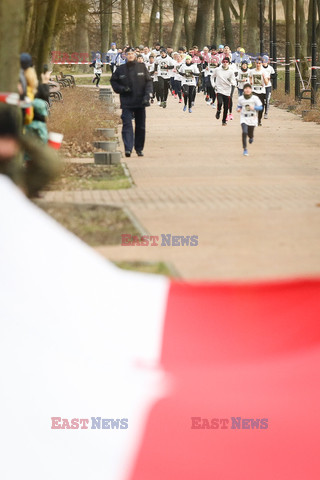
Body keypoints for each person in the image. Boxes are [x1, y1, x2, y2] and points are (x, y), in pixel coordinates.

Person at [110, 47, 152, 158]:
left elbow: (148, 82)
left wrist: (147, 96)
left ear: (135, 55)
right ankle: (128, 148)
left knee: (140, 127)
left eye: (132, 53)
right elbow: (113, 81)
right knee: (127, 125)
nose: (130, 55)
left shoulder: (141, 67)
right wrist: (122, 89)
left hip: (140, 102)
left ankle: (139, 148)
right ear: (125, 56)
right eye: (128, 54)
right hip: (127, 102)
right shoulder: (120, 69)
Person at [237, 83, 263, 156]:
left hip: (252, 118)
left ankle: (251, 137)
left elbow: (261, 107)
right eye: (246, 88)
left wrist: (254, 108)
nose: (247, 90)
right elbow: (238, 106)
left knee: (250, 133)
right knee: (244, 132)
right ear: (244, 90)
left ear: (251, 90)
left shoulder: (255, 98)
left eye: (249, 88)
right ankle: (245, 149)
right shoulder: (241, 98)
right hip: (244, 117)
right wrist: (238, 109)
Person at [211, 56, 236, 126]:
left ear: (229, 63)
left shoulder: (231, 72)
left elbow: (234, 82)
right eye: (224, 62)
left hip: (227, 91)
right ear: (222, 62)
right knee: (220, 103)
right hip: (219, 89)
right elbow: (212, 77)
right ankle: (218, 111)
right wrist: (213, 85)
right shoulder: (217, 70)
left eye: (226, 62)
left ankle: (224, 120)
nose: (225, 63)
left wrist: (231, 82)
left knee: (226, 107)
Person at [249, 56, 270, 126]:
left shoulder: (264, 71)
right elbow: (250, 77)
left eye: (259, 63)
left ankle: (259, 120)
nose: (258, 64)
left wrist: (264, 77)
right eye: (257, 63)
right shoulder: (252, 71)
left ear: (261, 63)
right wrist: (251, 81)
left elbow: (267, 83)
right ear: (255, 63)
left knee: (261, 107)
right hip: (254, 90)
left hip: (262, 91)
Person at [262, 55, 275, 119]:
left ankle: (266, 113)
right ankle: (260, 112)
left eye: (265, 61)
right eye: (263, 61)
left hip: (268, 86)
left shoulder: (270, 68)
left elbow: (274, 75)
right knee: (262, 100)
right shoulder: (260, 68)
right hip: (261, 86)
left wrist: (270, 77)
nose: (264, 62)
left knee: (267, 100)